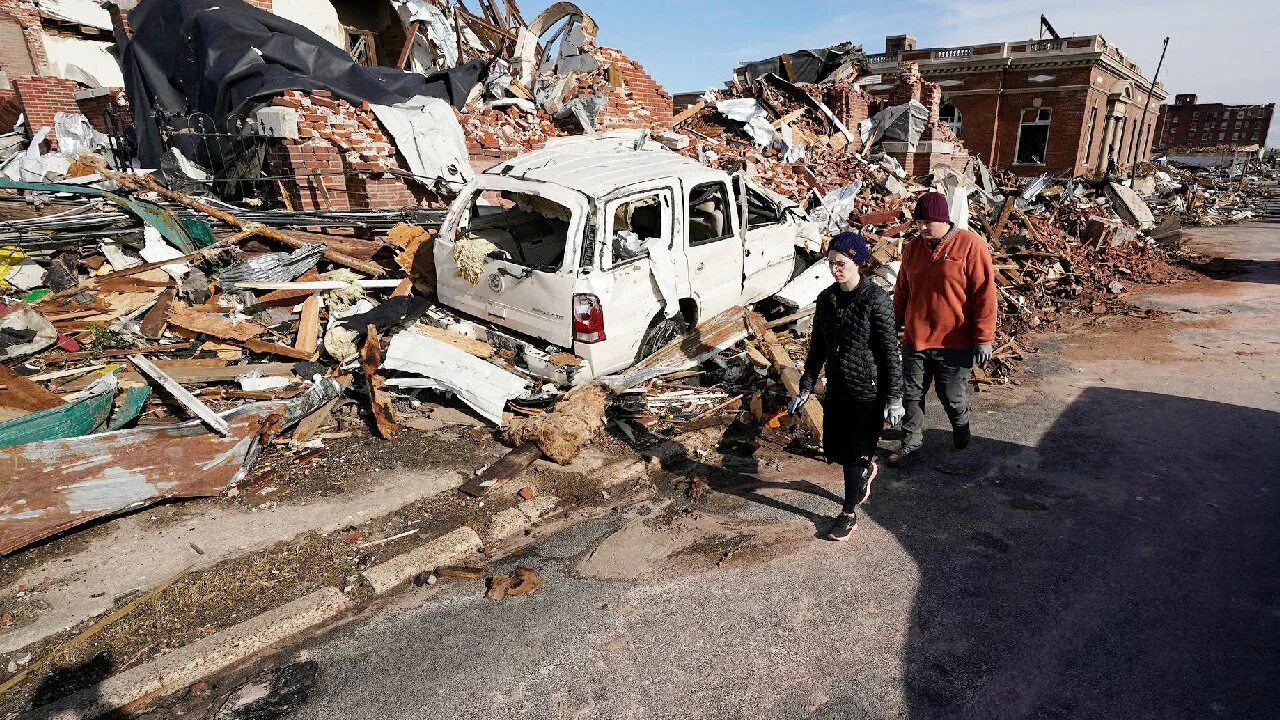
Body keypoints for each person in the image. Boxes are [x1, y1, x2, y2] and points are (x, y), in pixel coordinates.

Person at [789, 232, 904, 541]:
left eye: (840, 263)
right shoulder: (827, 299)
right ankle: (865, 467)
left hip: (867, 391)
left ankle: (848, 513)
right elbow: (817, 348)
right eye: (830, 264)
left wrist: (894, 397)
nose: (834, 269)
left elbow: (889, 353)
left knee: (851, 454)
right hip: (838, 386)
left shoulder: (875, 301)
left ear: (858, 262)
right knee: (836, 450)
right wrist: (806, 385)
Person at [888, 190, 997, 467]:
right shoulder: (913, 249)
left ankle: (961, 424)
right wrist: (892, 324)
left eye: (929, 222)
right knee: (912, 394)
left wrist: (984, 337)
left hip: (954, 341)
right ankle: (910, 443)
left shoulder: (970, 246)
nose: (923, 228)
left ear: (944, 220)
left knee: (950, 395)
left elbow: (985, 294)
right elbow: (902, 291)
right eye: (919, 222)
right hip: (916, 337)